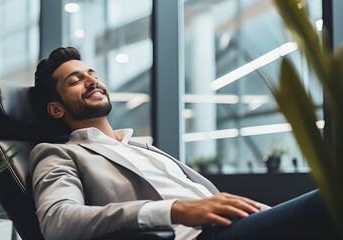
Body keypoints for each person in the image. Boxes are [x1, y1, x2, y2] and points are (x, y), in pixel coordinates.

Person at [30, 46, 341, 240]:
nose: (92, 80)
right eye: (75, 80)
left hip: (240, 222)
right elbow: (59, 222)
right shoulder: (58, 154)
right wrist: (174, 211)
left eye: (92, 73)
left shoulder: (140, 147)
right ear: (57, 108)